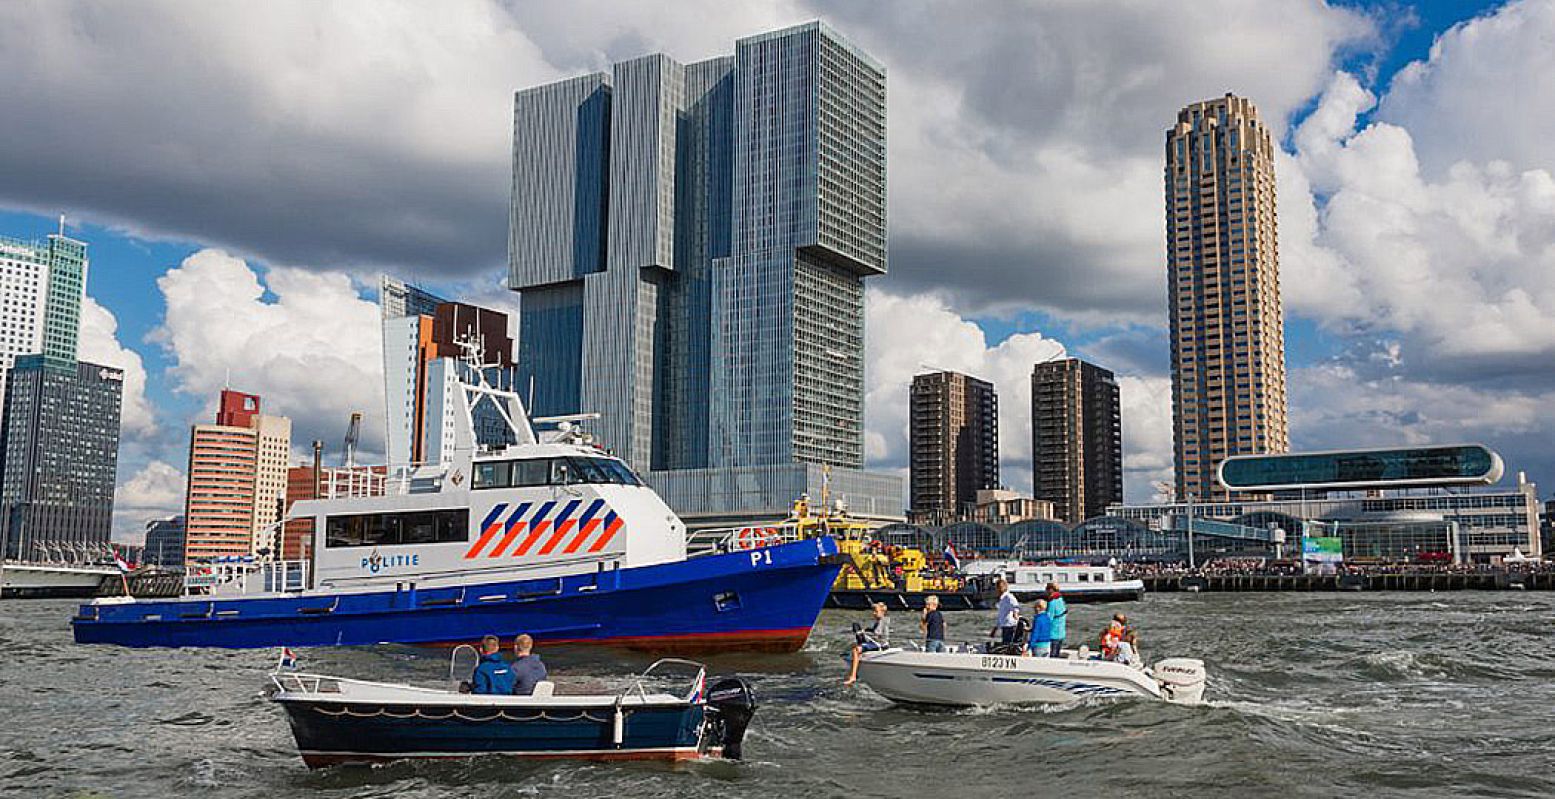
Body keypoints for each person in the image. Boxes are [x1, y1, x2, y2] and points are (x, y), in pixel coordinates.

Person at [844, 602, 891, 685]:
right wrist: (866, 630)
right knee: (857, 635)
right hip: (878, 642)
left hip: (880, 644)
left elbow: (877, 633)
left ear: (882, 612)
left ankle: (853, 676)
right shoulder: (882, 620)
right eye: (873, 611)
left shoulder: (882, 621)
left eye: (876, 611)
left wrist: (863, 633)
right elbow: (874, 630)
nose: (874, 613)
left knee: (856, 650)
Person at [991, 579, 1020, 645]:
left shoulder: (1008, 597)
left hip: (1010, 625)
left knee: (1008, 644)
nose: (998, 589)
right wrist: (996, 628)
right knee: (1005, 643)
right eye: (998, 587)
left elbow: (1015, 605)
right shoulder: (1002, 599)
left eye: (1000, 587)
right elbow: (1001, 615)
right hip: (1004, 626)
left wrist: (1015, 613)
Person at [1044, 583, 1067, 658]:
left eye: (1047, 590)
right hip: (1061, 630)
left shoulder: (1052, 602)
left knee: (1053, 652)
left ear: (1051, 590)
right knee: (1057, 649)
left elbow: (1049, 618)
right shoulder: (1061, 600)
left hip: (1054, 631)